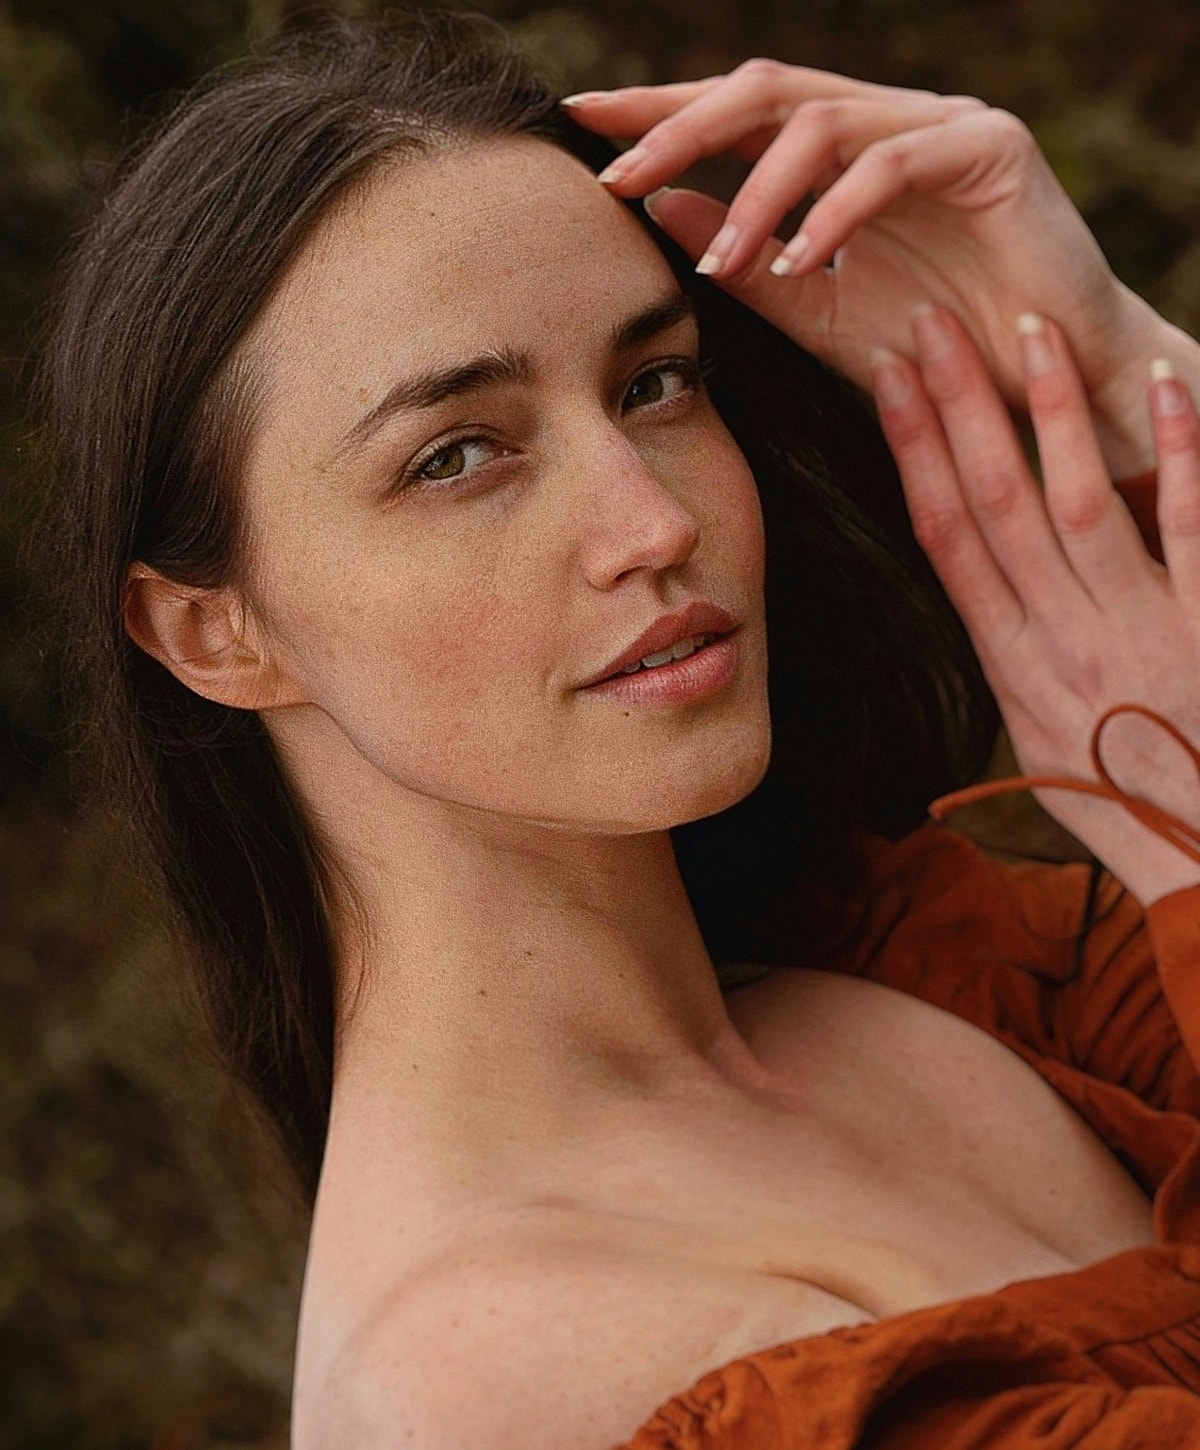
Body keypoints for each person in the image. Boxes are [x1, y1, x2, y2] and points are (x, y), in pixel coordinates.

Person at [30, 7, 1200, 1446]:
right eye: (457, 456)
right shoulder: (515, 1371)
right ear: (217, 633)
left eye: (654, 384)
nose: (656, 524)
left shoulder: (931, 965)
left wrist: (1121, 385)